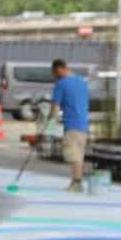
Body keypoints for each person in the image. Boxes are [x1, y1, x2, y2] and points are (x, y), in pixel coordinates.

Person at [47, 59, 91, 193]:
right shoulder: (82, 82)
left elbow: (55, 106)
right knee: (79, 153)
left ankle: (77, 183)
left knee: (73, 154)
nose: (54, 76)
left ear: (59, 69)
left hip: (72, 123)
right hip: (83, 123)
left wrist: (50, 119)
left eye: (54, 73)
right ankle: (77, 180)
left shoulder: (61, 84)